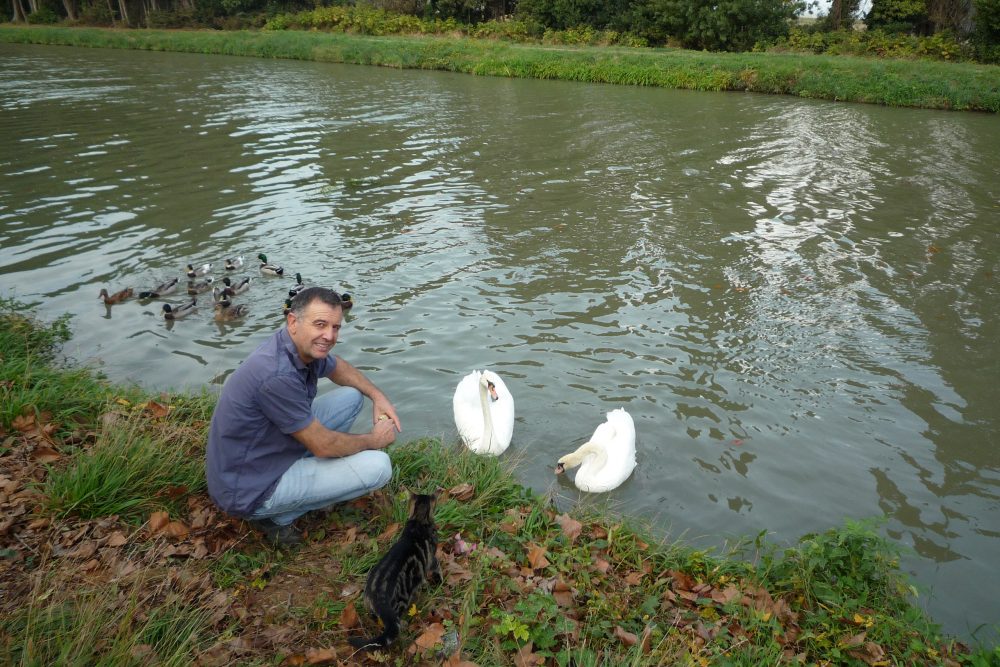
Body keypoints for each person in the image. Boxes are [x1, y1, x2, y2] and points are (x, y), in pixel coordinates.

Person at [206, 286, 400, 545]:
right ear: (293, 322)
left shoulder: (296, 345)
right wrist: (373, 440)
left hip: (260, 453)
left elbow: (337, 366)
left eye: (335, 327)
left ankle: (302, 477)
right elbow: (323, 445)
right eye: (320, 324)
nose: (329, 336)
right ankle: (274, 518)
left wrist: (377, 396)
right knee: (379, 467)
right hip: (247, 489)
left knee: (352, 396)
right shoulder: (277, 376)